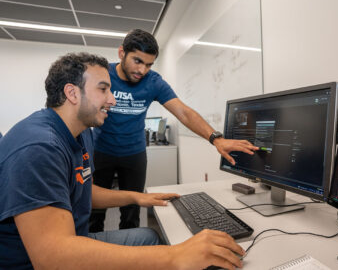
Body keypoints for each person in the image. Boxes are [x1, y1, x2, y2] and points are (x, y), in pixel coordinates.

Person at [0, 52, 245, 270]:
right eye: (103, 89)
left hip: (72, 239)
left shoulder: (80, 131)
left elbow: (80, 189)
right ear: (72, 93)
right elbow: (52, 259)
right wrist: (175, 256)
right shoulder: (39, 148)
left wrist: (136, 197)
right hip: (35, 261)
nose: (113, 100)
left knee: (149, 236)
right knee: (170, 251)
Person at [90, 29, 259, 232]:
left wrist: (216, 138)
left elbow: (183, 112)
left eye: (149, 64)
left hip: (133, 154)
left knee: (132, 213)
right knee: (93, 211)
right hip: (100, 151)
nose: (142, 70)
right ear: (121, 53)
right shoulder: (103, 74)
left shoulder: (153, 81)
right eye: (137, 61)